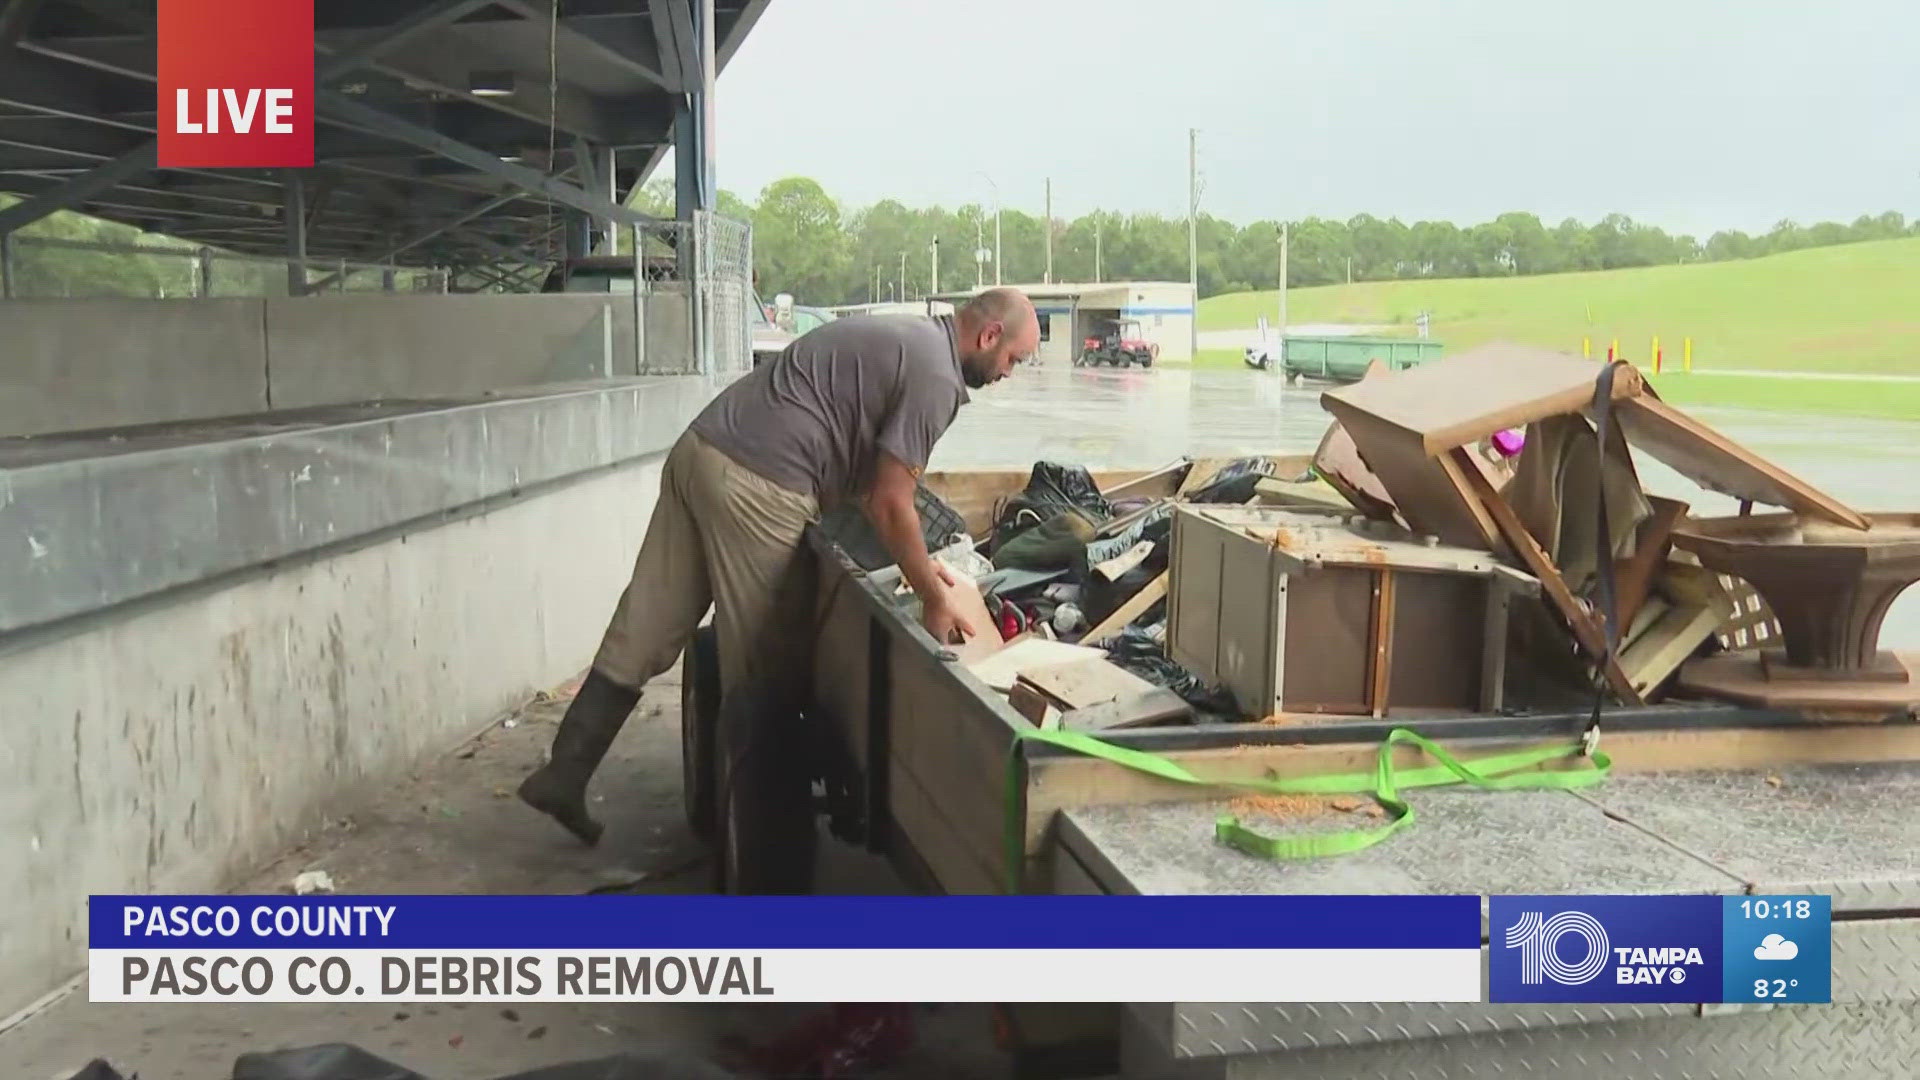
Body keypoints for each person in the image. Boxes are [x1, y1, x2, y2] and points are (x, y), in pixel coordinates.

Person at [518, 287, 1040, 845]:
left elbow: (871, 491)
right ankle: (752, 842)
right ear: (988, 337)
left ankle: (565, 774)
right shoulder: (937, 377)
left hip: (702, 450)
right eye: (1014, 359)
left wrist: (920, 568)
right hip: (761, 483)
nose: (1010, 373)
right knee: (765, 666)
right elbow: (891, 503)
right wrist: (933, 600)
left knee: (646, 625)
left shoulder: (907, 337)